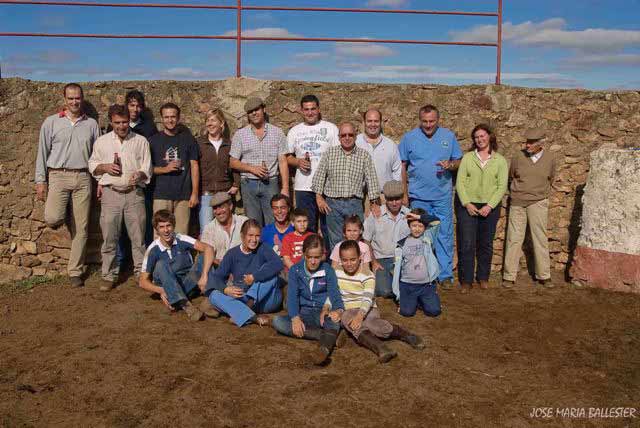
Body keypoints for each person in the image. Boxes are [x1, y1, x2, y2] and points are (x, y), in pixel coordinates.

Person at [34, 83, 100, 287]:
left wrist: (100, 182)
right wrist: (40, 180)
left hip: (82, 177)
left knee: (82, 228)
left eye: (77, 98)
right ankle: (64, 215)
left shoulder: (91, 124)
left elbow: (97, 155)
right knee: (53, 217)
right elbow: (42, 152)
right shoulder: (51, 122)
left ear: (82, 98)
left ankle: (75, 271)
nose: (74, 102)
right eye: (70, 98)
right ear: (64, 100)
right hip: (58, 176)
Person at [89, 104, 153, 291]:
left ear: (129, 121)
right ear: (111, 122)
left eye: (125, 122)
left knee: (138, 238)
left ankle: (141, 275)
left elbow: (147, 167)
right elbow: (92, 165)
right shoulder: (102, 142)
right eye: (117, 122)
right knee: (109, 238)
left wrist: (140, 175)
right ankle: (109, 275)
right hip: (111, 194)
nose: (121, 126)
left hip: (134, 194)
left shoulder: (140, 141)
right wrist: (105, 167)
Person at [399, 104, 462, 290]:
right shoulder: (409, 138)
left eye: (432, 121)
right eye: (425, 121)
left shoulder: (448, 136)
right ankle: (423, 273)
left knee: (444, 235)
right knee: (420, 236)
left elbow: (459, 161)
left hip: (442, 196)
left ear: (438, 120)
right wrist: (404, 193)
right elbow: (402, 165)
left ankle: (445, 275)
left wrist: (450, 165)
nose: (428, 125)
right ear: (420, 120)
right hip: (418, 196)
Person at [335, 240, 425, 364]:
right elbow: (333, 294)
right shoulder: (337, 273)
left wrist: (360, 316)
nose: (349, 264)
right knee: (347, 318)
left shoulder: (368, 275)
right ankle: (381, 348)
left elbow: (367, 299)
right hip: (349, 311)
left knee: (374, 326)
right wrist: (330, 308)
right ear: (340, 259)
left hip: (368, 309)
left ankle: (403, 334)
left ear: (360, 257)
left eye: (353, 259)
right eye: (345, 260)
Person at [272, 234, 344, 365]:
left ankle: (324, 350)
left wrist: (338, 310)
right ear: (304, 254)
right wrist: (295, 318)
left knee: (334, 320)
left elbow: (334, 294)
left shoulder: (328, 270)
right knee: (277, 322)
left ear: (322, 255)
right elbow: (292, 296)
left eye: (317, 257)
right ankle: (325, 336)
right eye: (309, 257)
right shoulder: (295, 270)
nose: (313, 261)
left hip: (321, 313)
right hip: (303, 313)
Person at [110, 90, 159, 273]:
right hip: (118, 184)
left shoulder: (148, 129)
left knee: (141, 225)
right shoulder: (116, 127)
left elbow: (150, 158)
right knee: (120, 226)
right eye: (131, 105)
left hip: (141, 184)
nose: (135, 109)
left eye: (138, 105)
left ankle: (143, 264)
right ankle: (122, 261)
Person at [455, 124, 508, 293]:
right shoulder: (468, 158)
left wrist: (490, 206)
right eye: (476, 137)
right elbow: (460, 183)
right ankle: (466, 280)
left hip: (489, 206)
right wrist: (467, 203)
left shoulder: (499, 160)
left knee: (485, 243)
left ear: (490, 137)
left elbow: (501, 186)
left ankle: (483, 277)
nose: (480, 139)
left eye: (482, 136)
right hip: (468, 205)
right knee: (467, 242)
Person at [312, 122, 380, 251]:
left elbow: (372, 179)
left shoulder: (363, 155)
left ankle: (357, 269)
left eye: (350, 135)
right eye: (343, 135)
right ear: (339, 137)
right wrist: (319, 197)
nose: (347, 138)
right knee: (336, 241)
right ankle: (337, 269)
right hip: (333, 204)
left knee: (356, 239)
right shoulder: (330, 153)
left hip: (354, 203)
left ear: (355, 136)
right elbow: (319, 176)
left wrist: (374, 202)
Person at [502, 128, 557, 289]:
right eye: (526, 142)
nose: (527, 145)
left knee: (539, 237)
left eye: (531, 142)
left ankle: (544, 275)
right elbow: (512, 175)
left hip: (538, 201)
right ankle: (509, 276)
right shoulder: (518, 156)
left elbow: (551, 177)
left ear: (541, 143)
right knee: (514, 238)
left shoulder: (550, 158)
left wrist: (539, 193)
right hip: (518, 201)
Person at [138, 210, 216, 321]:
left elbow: (209, 248)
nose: (166, 230)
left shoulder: (181, 238)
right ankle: (186, 305)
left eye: (168, 225)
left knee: (204, 257)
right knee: (161, 264)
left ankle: (212, 297)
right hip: (167, 287)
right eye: (161, 227)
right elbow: (142, 282)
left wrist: (204, 276)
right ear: (156, 230)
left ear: (173, 226)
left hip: (187, 284)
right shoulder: (153, 249)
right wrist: (161, 290)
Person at [205, 219, 284, 327]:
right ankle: (253, 317)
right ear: (242, 236)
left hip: (266, 300)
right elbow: (216, 278)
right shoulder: (232, 253)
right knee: (213, 295)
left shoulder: (263, 248)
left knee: (271, 275)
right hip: (243, 297)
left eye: (257, 236)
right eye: (250, 235)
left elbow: (278, 264)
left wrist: (255, 277)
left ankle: (243, 311)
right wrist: (225, 289)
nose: (254, 239)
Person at [230, 97, 289, 226]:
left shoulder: (277, 133)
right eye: (251, 112)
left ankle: (272, 246)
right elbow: (233, 162)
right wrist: (252, 169)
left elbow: (283, 161)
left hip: (271, 183)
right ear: (248, 115)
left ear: (264, 109)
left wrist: (285, 188)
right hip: (248, 183)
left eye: (256, 109)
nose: (254, 113)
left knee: (274, 222)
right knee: (253, 224)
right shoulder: (240, 135)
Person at [286, 94, 339, 233]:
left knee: (328, 227)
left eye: (313, 109)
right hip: (303, 186)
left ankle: (328, 255)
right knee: (306, 227)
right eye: (306, 109)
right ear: (301, 111)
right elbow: (287, 157)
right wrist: (298, 162)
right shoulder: (294, 131)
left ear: (319, 109)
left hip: (328, 186)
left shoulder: (331, 128)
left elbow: (338, 155)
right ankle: (309, 255)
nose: (310, 112)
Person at [149, 102, 199, 235]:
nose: (170, 120)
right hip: (160, 195)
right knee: (160, 236)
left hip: (183, 196)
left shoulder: (188, 139)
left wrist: (194, 193)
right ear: (161, 118)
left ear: (178, 117)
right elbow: (148, 170)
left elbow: (194, 166)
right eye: (166, 117)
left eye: (173, 116)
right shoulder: (153, 141)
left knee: (181, 235)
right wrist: (165, 169)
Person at [363, 180, 411, 299]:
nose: (394, 203)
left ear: (402, 197)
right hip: (381, 260)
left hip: (403, 259)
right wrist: (373, 262)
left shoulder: (409, 215)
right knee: (384, 291)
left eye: (397, 199)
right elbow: (366, 240)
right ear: (386, 199)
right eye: (390, 199)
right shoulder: (375, 214)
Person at [392, 208, 442, 318]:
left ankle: (428, 298)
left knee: (434, 311)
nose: (417, 229)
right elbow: (397, 270)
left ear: (425, 227)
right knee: (407, 312)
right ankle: (412, 301)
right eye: (414, 225)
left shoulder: (428, 238)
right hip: (407, 285)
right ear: (409, 226)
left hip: (426, 285)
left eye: (421, 226)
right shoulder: (401, 244)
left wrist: (419, 217)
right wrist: (398, 293)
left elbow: (437, 221)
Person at [197, 108, 239, 234]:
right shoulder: (199, 143)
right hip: (205, 193)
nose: (210, 124)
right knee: (206, 230)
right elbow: (193, 167)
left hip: (224, 192)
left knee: (226, 229)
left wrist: (236, 184)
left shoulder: (229, 144)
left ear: (221, 123)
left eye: (213, 120)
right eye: (207, 120)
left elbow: (235, 165)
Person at [355, 108, 401, 195]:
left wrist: (394, 194)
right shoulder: (356, 143)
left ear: (381, 123)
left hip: (385, 197)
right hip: (360, 197)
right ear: (364, 122)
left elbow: (397, 172)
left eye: (376, 121)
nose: (373, 124)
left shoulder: (390, 145)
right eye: (369, 121)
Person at [200, 192, 248, 266]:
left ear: (231, 206)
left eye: (222, 207)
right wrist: (224, 268)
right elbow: (206, 255)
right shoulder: (209, 229)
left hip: (243, 266)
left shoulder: (243, 223)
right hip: (218, 269)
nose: (218, 212)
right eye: (215, 208)